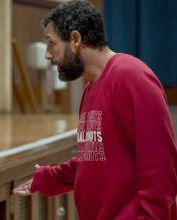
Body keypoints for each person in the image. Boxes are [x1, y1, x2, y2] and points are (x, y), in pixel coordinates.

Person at [13, 1, 177, 219]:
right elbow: (92, 160)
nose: (48, 55)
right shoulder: (91, 87)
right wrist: (48, 177)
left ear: (75, 39)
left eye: (51, 44)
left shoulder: (131, 76)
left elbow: (160, 168)